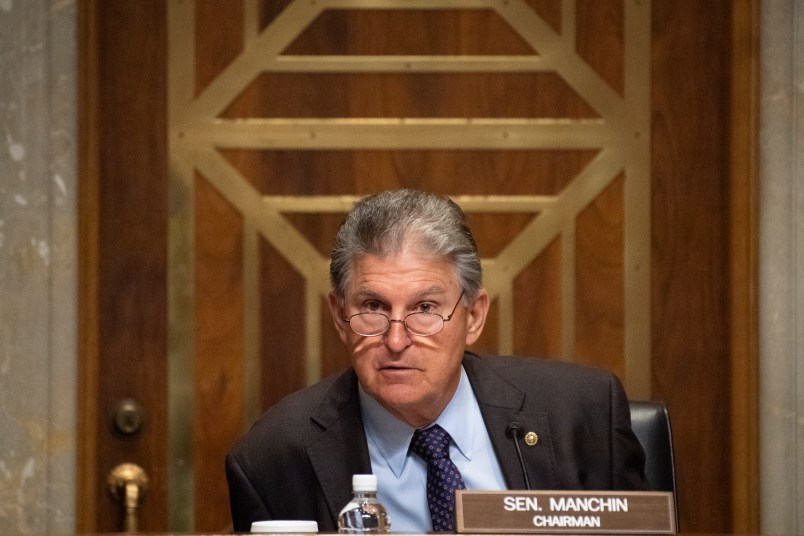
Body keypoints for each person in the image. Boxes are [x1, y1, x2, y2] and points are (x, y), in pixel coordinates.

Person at [225, 189, 647, 533]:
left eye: (425, 308)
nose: (395, 339)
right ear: (339, 316)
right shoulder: (273, 458)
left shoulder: (583, 414)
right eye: (372, 305)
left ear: (474, 317)